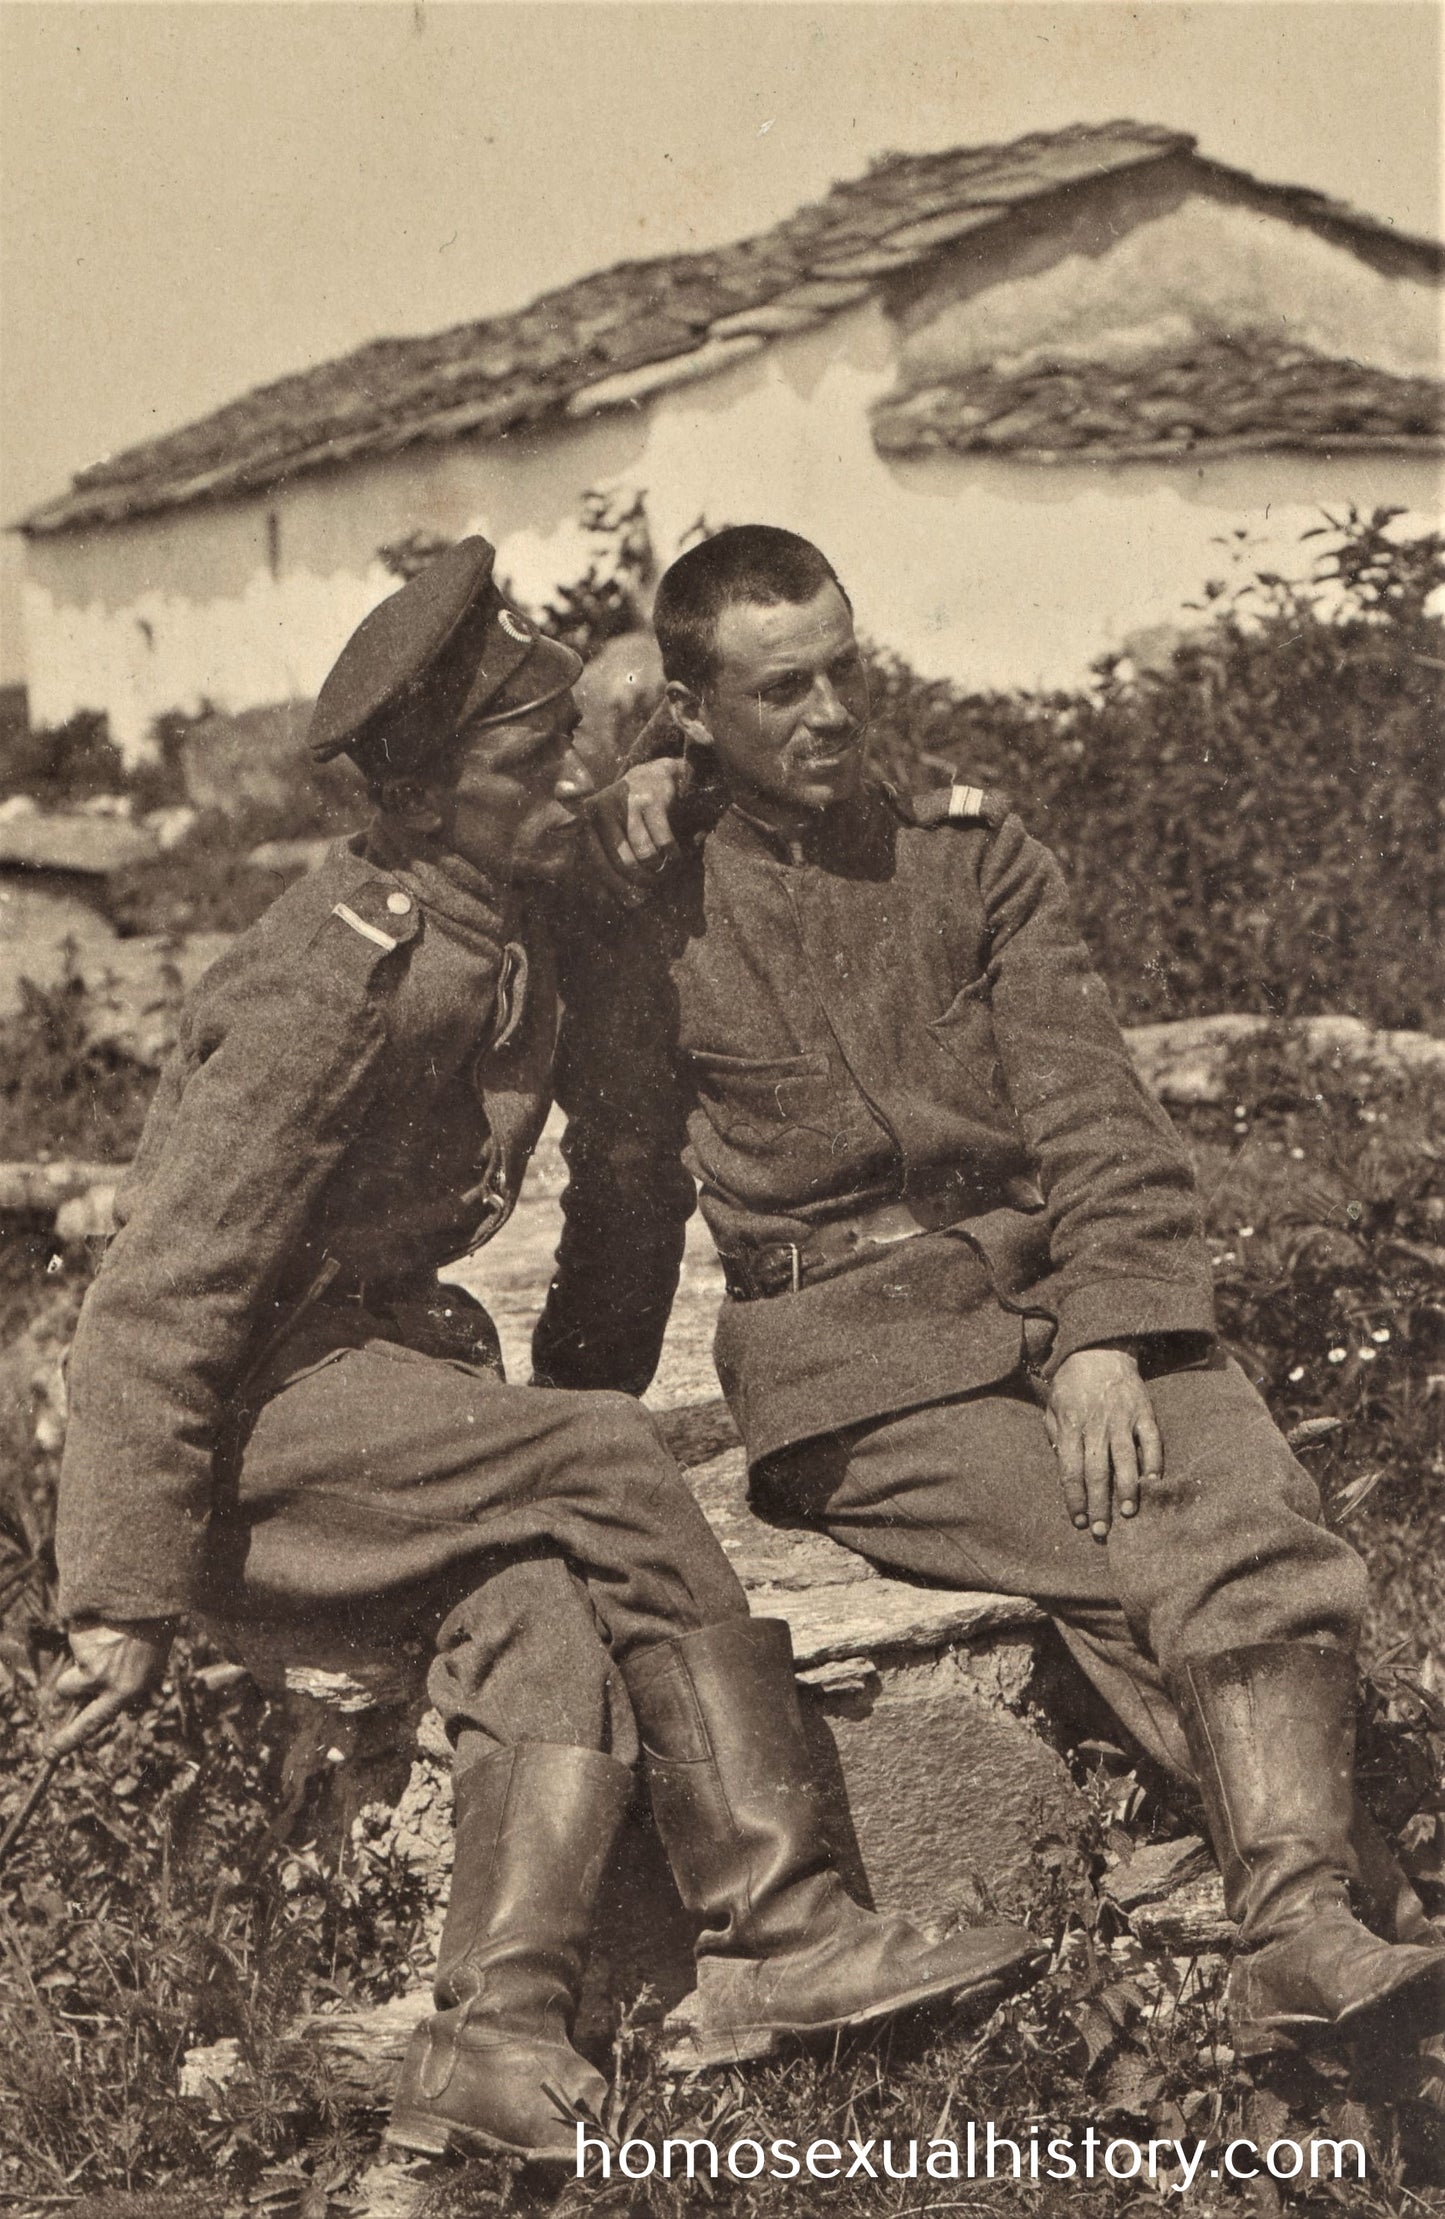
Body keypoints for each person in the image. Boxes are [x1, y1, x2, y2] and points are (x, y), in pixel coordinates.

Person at [49, 538, 1042, 2168]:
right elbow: (156, 1302)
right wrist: (118, 1598)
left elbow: (630, 757)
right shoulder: (335, 979)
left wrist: (646, 771)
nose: (566, 783)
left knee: (536, 1608)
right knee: (594, 1452)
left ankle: (490, 2041)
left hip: (371, 1396)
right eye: (525, 764)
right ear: (424, 799)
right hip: (253, 1421)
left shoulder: (514, 899)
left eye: (559, 750)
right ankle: (785, 1932)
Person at [533, 524, 1445, 2067]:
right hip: (864, 1374)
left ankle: (1294, 1934)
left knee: (1256, 1511)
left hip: (1056, 1300)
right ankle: (1339, 1912)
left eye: (845, 672)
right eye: (778, 692)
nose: (829, 714)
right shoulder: (646, 906)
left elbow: (1095, 1114)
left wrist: (1104, 1331)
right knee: (1168, 1544)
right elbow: (620, 1192)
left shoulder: (972, 854)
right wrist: (570, 1420)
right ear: (690, 710)